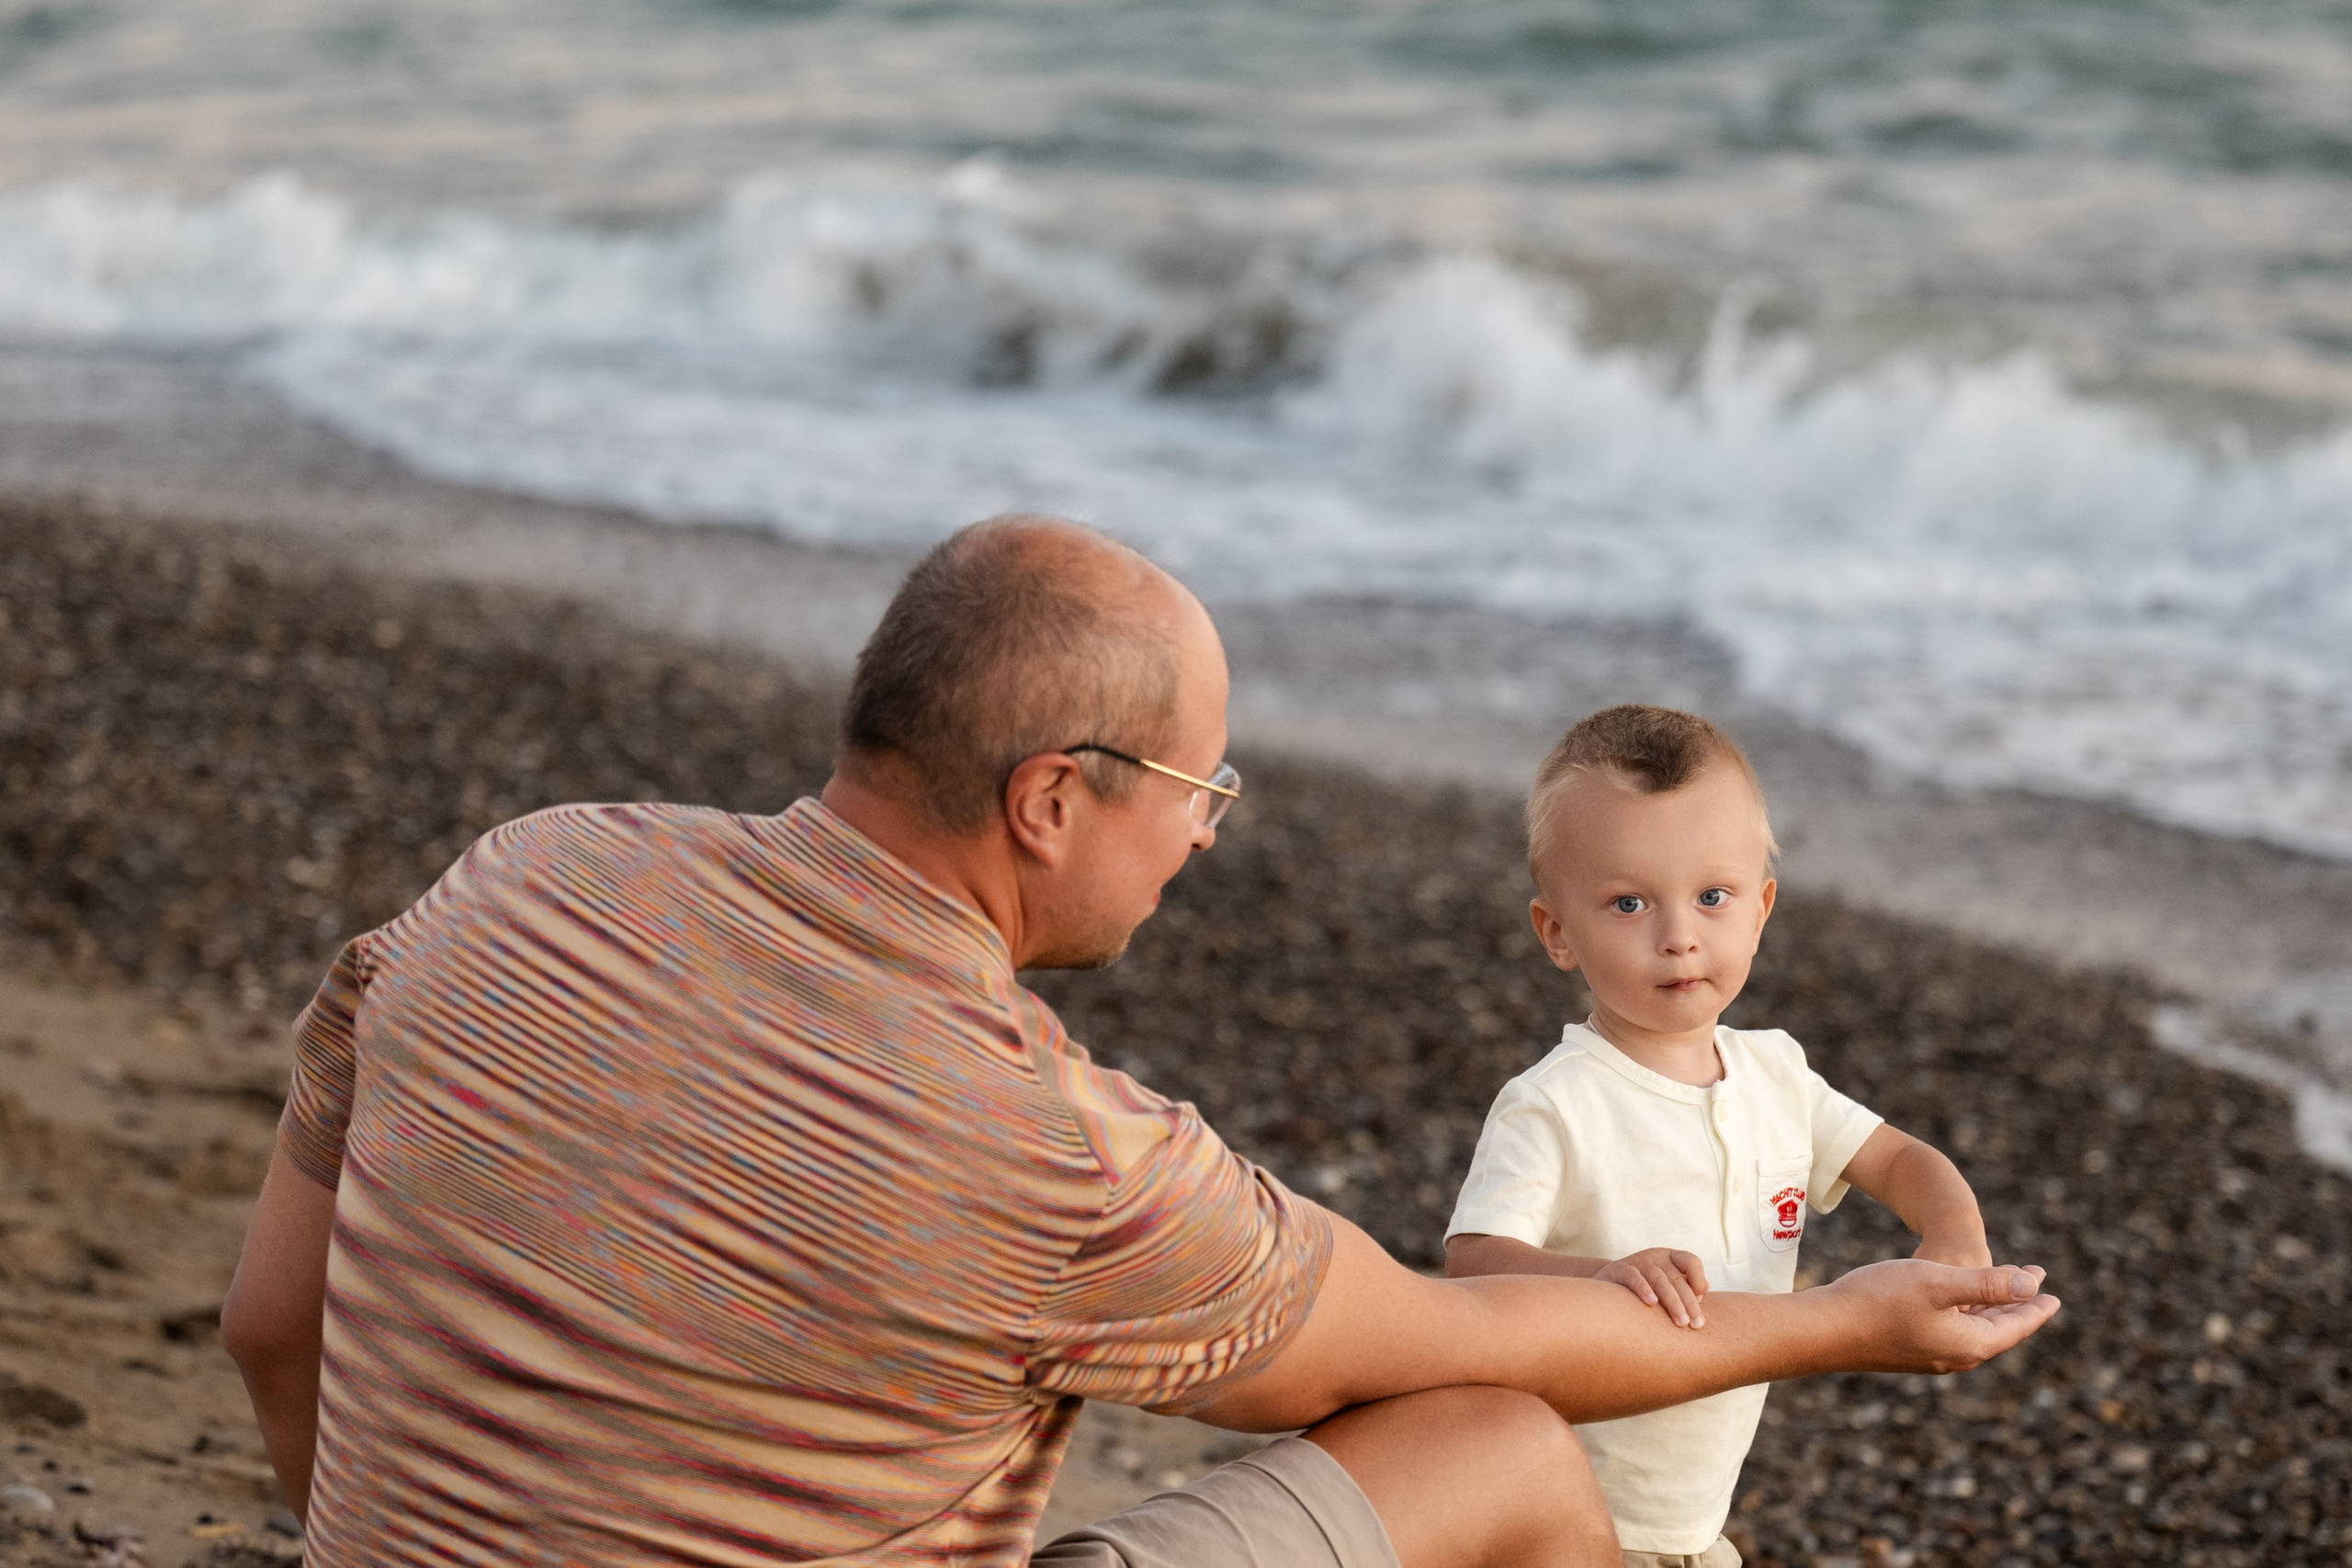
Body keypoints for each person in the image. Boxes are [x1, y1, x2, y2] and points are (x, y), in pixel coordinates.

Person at [221, 516, 2058, 1568]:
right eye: (1200, 789)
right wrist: (1852, 1319)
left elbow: (272, 1323)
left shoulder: (523, 874)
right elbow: (1468, 1341)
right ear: (1049, 799)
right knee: (1498, 1443)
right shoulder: (1042, 1153)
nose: (1204, 834)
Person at [1444, 705, 1992, 1568]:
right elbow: (1473, 1264)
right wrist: (1600, 1279)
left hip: (1690, 1525)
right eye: (1629, 903)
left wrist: (1953, 1235)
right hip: (1556, 1517)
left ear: (1761, 908)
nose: (1679, 937)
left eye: (1712, 897)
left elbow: (1898, 1157)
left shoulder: (1777, 1074)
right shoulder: (1555, 1103)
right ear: (1557, 933)